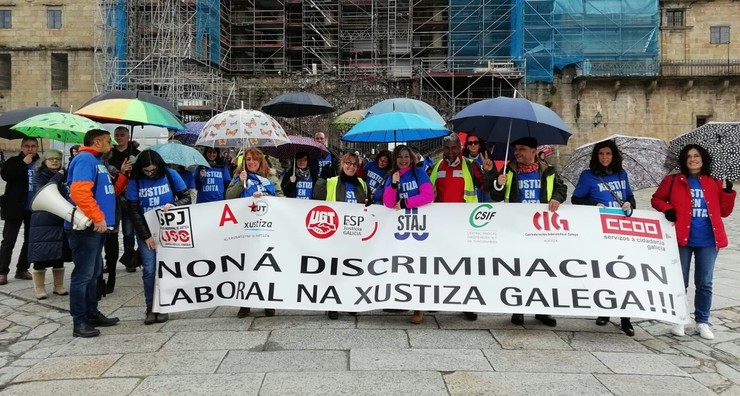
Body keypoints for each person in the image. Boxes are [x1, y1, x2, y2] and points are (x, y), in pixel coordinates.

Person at [651, 144, 735, 340]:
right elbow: (656, 199)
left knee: (705, 282)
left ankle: (702, 321)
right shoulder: (673, 180)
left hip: (708, 240)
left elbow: (724, 211)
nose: (692, 159)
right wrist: (667, 209)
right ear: (684, 160)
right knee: (680, 281)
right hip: (682, 238)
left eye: (696, 156)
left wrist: (728, 192)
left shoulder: (714, 181)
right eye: (689, 156)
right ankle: (679, 319)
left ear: (703, 158)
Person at [489, 136, 567, 327]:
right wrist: (499, 182)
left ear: (533, 151)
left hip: (541, 230)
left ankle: (542, 310)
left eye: (522, 149)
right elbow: (496, 194)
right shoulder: (509, 170)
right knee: (519, 270)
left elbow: (561, 188)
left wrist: (556, 198)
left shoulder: (548, 171)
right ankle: (519, 308)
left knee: (543, 270)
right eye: (516, 149)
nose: (517, 152)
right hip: (516, 228)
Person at [571, 140, 636, 336]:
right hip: (599, 230)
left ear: (614, 156)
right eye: (601, 154)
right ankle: (604, 311)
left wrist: (628, 204)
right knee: (605, 272)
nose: (605, 157)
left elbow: (631, 197)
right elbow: (576, 199)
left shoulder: (621, 174)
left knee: (624, 273)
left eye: (608, 154)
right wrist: (594, 204)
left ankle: (626, 318)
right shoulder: (588, 176)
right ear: (596, 156)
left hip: (621, 229)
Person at [429, 134, 490, 321]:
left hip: (464, 224)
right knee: (439, 263)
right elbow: (429, 192)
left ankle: (468, 304)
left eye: (454, 148)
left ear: (459, 147)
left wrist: (489, 173)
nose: (450, 152)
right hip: (440, 224)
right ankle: (437, 299)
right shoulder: (437, 166)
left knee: (464, 265)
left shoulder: (471, 166)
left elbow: (486, 188)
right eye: (446, 148)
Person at [66, 129, 121, 337]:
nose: (111, 145)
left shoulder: (96, 161)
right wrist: (98, 217)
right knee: (83, 275)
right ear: (97, 142)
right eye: (108, 141)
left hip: (96, 227)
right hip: (86, 227)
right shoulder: (85, 160)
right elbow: (80, 192)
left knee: (94, 272)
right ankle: (79, 321)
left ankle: (91, 312)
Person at [126, 150, 191, 325]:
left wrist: (174, 205)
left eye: (153, 170)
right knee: (149, 269)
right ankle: (150, 306)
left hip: (169, 230)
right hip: (147, 231)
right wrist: (145, 235)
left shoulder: (170, 174)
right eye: (146, 171)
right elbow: (132, 209)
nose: (150, 173)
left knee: (166, 268)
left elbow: (186, 197)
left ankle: (164, 304)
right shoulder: (136, 179)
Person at [226, 147, 283, 318]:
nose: (251, 162)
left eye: (254, 159)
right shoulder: (238, 177)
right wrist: (239, 183)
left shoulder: (270, 178)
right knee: (246, 266)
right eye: (248, 159)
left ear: (260, 161)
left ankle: (267, 301)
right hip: (244, 229)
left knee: (266, 265)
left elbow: (281, 198)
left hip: (266, 228)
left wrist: (266, 198)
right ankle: (245, 302)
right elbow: (228, 198)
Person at [313, 152, 370, 320]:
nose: (351, 167)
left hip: (355, 233)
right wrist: (322, 179)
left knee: (353, 269)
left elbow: (367, 203)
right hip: (336, 232)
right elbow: (317, 198)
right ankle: (333, 304)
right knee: (335, 269)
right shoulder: (332, 182)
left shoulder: (362, 184)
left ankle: (351, 301)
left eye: (354, 164)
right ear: (342, 164)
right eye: (348, 163)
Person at [382, 145, 434, 324]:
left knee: (419, 267)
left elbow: (428, 195)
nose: (403, 160)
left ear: (411, 158)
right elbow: (388, 202)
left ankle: (420, 309)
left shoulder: (419, 173)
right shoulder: (392, 176)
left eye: (406, 156)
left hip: (419, 227)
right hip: (399, 229)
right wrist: (394, 184)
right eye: (399, 157)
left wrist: (406, 203)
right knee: (401, 265)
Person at [28, 150, 70, 299]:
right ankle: (39, 288)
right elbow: (42, 191)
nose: (54, 161)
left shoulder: (64, 175)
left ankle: (58, 286)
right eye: (51, 159)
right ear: (44, 161)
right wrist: (57, 177)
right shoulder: (40, 175)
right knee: (41, 254)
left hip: (59, 218)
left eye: (57, 159)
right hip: (43, 220)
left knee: (58, 253)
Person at [0, 137, 40, 285]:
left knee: (30, 240)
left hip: (33, 207)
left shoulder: (40, 164)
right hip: (14, 207)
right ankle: (2, 271)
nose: (30, 149)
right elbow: (6, 175)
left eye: (33, 146)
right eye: (27, 146)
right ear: (22, 147)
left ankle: (22, 269)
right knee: (9, 241)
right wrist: (24, 164)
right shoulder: (13, 162)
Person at [107, 126, 140, 273]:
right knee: (111, 231)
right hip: (112, 195)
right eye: (117, 135)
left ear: (128, 137)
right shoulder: (108, 154)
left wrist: (136, 165)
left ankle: (129, 260)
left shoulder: (136, 154)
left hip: (128, 196)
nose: (119, 138)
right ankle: (110, 261)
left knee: (128, 231)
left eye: (122, 135)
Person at [462, 134, 493, 202]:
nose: (473, 145)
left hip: (485, 199)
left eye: (475, 142)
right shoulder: (463, 161)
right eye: (470, 143)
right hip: (469, 200)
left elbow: (492, 181)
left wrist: (487, 171)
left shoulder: (487, 160)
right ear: (467, 146)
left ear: (479, 145)